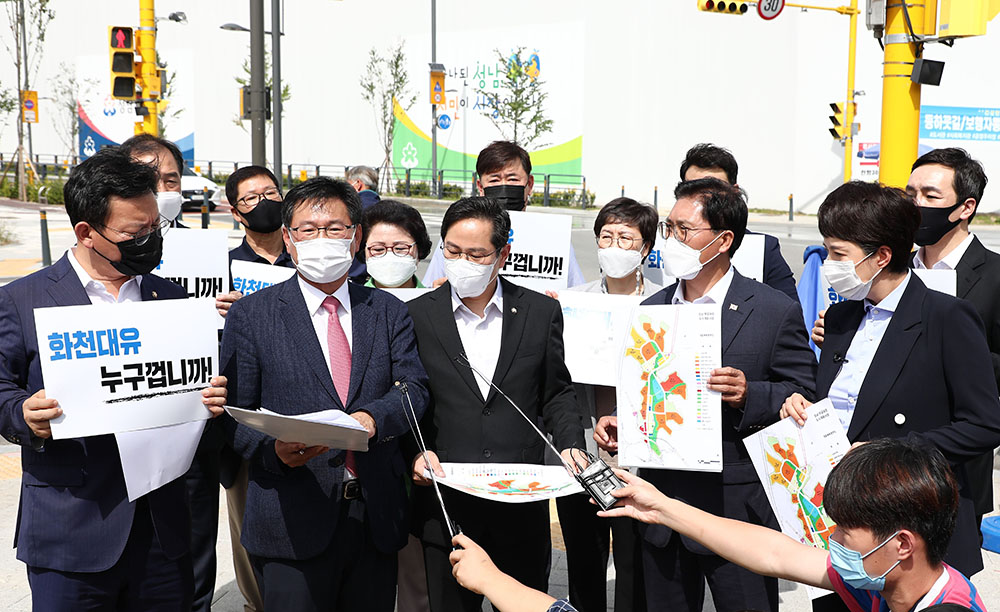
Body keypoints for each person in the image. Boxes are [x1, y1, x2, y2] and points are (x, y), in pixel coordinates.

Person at [0, 147, 228, 610]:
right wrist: (24, 415)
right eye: (133, 232)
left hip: (162, 535)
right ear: (87, 233)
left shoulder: (172, 299)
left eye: (154, 228)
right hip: (71, 532)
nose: (149, 240)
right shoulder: (22, 300)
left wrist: (212, 396)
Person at [596, 178, 817, 612]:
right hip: (663, 507)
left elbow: (804, 392)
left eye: (684, 230)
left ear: (724, 240)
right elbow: (648, 389)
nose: (672, 240)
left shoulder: (773, 309)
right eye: (669, 228)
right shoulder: (653, 309)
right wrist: (626, 422)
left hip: (736, 510)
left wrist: (749, 394)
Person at [448, 439, 989, 612]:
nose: (832, 541)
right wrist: (663, 507)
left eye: (845, 532)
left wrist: (494, 583)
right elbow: (775, 553)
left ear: (901, 544)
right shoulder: (891, 578)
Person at [781, 181, 1000, 607]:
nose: (828, 265)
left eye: (838, 254)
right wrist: (801, 403)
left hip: (911, 534)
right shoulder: (842, 317)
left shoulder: (946, 317)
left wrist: (893, 453)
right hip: (844, 527)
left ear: (881, 256)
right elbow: (841, 401)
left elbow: (985, 425)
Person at [218, 176, 430, 611]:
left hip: (373, 518)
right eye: (308, 230)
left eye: (334, 229)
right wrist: (274, 450)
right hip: (290, 520)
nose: (321, 239)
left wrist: (373, 418)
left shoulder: (388, 311)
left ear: (355, 238)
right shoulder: (252, 315)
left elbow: (414, 388)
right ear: (288, 239)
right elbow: (234, 415)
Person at [406, 196, 585, 611]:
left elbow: (557, 391)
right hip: (447, 502)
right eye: (453, 251)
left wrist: (572, 444)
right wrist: (413, 454)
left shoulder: (540, 312)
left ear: (503, 255)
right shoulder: (416, 315)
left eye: (476, 254)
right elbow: (407, 398)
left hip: (520, 504)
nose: (462, 262)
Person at [556, 197, 661, 612]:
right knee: (584, 558)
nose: (614, 247)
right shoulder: (569, 302)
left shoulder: (665, 304)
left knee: (636, 563)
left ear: (645, 248)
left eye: (626, 238)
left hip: (642, 455)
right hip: (582, 451)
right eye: (606, 237)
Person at [215, 165, 296, 612]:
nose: (263, 203)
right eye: (250, 198)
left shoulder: (307, 257)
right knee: (249, 527)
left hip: (303, 404)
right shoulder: (219, 268)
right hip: (245, 416)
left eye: (271, 192)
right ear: (235, 211)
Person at [907, 148, 1000, 535]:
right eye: (910, 194)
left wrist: (954, 353)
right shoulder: (893, 269)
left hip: (956, 468)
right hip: (887, 458)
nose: (916, 205)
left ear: (965, 207)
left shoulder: (994, 275)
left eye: (930, 196)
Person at [421, 141, 586, 287]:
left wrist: (560, 303)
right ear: (480, 187)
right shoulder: (459, 233)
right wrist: (438, 293)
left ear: (529, 184)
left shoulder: (553, 237)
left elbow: (576, 292)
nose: (504, 186)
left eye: (513, 179)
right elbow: (430, 286)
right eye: (494, 180)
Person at [679, 143, 798, 301]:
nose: (701, 200)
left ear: (734, 191)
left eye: (712, 190)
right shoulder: (662, 247)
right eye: (691, 189)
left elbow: (788, 310)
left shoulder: (761, 249)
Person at [360, 199, 432, 289]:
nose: (389, 256)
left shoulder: (436, 298)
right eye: (378, 249)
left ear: (419, 251)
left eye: (400, 248)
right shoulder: (349, 298)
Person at [120, 134, 186, 228]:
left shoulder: (195, 237)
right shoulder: (106, 236)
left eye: (170, 181)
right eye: (149, 181)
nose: (162, 191)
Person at [346, 165, 382, 279]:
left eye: (348, 184)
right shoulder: (385, 209)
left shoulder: (350, 209)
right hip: (376, 274)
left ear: (358, 184)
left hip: (353, 273)